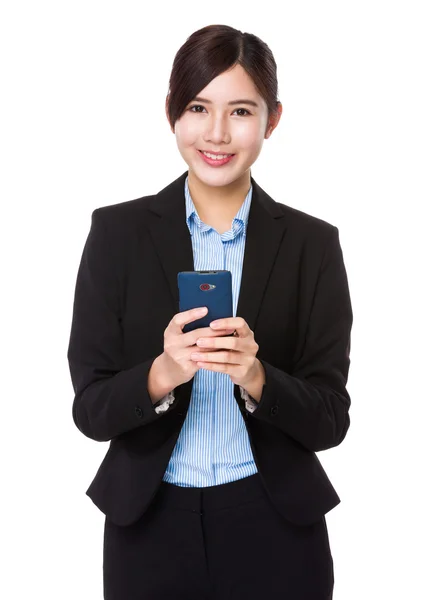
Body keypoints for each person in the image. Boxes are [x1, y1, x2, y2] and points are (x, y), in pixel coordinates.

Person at [67, 23, 353, 600]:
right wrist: (162, 374)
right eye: (198, 106)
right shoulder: (116, 234)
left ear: (272, 120)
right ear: (171, 111)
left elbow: (330, 419)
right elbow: (91, 410)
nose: (217, 133)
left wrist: (257, 376)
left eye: (241, 111)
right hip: (148, 526)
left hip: (275, 525)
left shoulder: (311, 244)